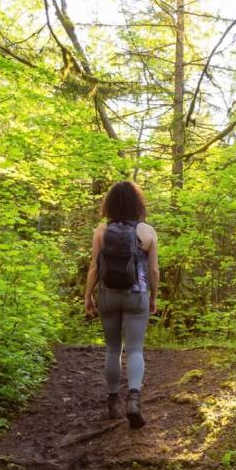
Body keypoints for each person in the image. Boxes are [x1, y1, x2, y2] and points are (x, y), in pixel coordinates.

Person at [84, 181, 159, 429]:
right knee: (135, 349)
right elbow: (154, 270)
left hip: (108, 295)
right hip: (137, 295)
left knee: (113, 349)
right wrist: (153, 297)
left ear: (111, 204)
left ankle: (113, 401)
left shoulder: (101, 231)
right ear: (137, 204)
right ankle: (134, 399)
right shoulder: (147, 232)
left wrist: (88, 297)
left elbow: (94, 268)